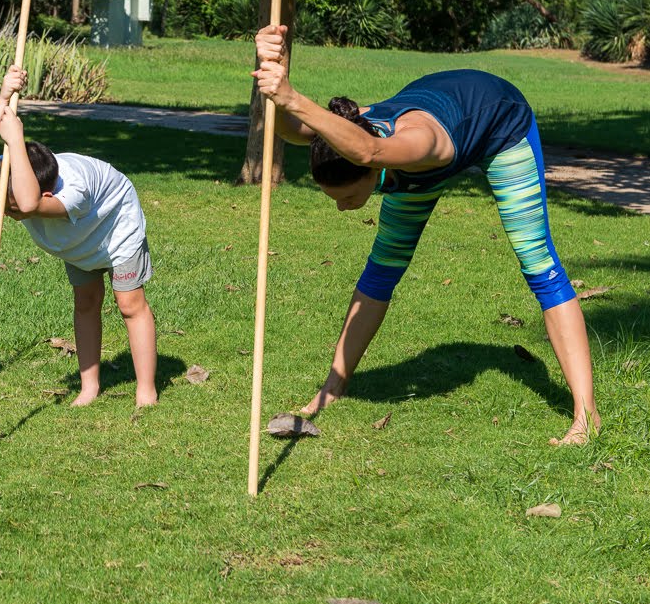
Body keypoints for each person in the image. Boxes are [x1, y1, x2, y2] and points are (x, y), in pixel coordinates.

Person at [252, 23, 599, 445]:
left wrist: (292, 96)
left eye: (347, 196)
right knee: (382, 270)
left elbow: (369, 151)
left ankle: (586, 417)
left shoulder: (415, 144)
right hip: (415, 152)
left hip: (499, 123)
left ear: (373, 175)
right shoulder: (359, 137)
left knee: (538, 264)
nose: (341, 208)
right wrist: (273, 72)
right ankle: (332, 387)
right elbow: (293, 130)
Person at [0, 66, 158, 408]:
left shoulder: (74, 192)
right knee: (86, 302)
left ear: (45, 196)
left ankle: (146, 390)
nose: (5, 210)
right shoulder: (19, 176)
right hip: (76, 242)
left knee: (129, 304)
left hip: (114, 226)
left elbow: (26, 201)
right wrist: (2, 101)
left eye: (8, 204)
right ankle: (89, 387)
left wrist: (15, 137)